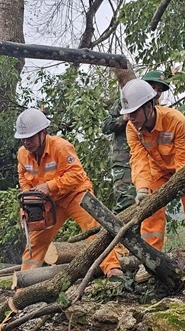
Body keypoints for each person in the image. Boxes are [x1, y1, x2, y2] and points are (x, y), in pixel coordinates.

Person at [120, 78, 185, 282]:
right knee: (149, 210)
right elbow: (139, 159)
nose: (130, 118)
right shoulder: (132, 128)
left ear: (149, 106)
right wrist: (141, 188)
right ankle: (149, 262)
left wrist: (184, 181)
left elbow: (184, 157)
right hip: (158, 169)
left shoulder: (174, 119)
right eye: (127, 113)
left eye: (134, 113)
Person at [15, 108, 123, 277]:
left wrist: (50, 186)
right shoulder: (22, 154)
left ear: (43, 133)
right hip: (49, 202)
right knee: (35, 240)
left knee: (94, 229)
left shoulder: (61, 147)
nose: (26, 142)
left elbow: (76, 175)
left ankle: (112, 268)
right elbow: (24, 178)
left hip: (75, 194)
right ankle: (24, 282)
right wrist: (28, 202)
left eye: (30, 137)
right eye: (23, 138)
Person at [101, 70, 172, 213]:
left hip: (147, 163)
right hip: (125, 160)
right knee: (127, 201)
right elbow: (105, 125)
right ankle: (116, 233)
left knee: (146, 203)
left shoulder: (157, 109)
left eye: (159, 90)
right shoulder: (126, 101)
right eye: (153, 88)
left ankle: (139, 234)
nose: (157, 92)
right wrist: (125, 118)